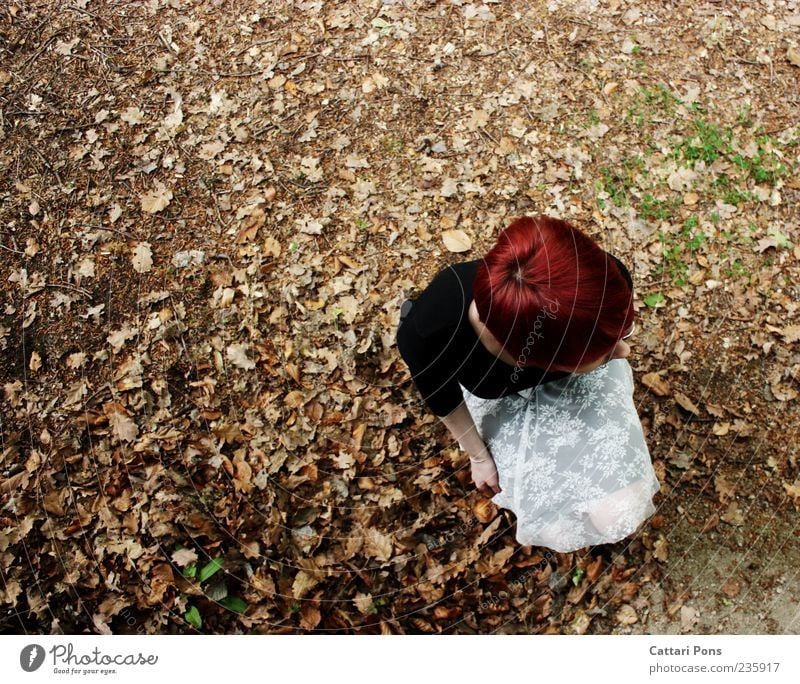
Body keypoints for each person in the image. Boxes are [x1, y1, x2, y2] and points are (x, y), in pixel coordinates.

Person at [395, 215, 660, 552]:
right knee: (556, 526)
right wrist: (478, 457)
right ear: (536, 358)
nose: (626, 351)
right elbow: (443, 398)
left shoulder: (602, 278)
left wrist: (600, 350)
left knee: (615, 512)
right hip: (500, 400)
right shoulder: (431, 334)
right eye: (605, 354)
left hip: (564, 372)